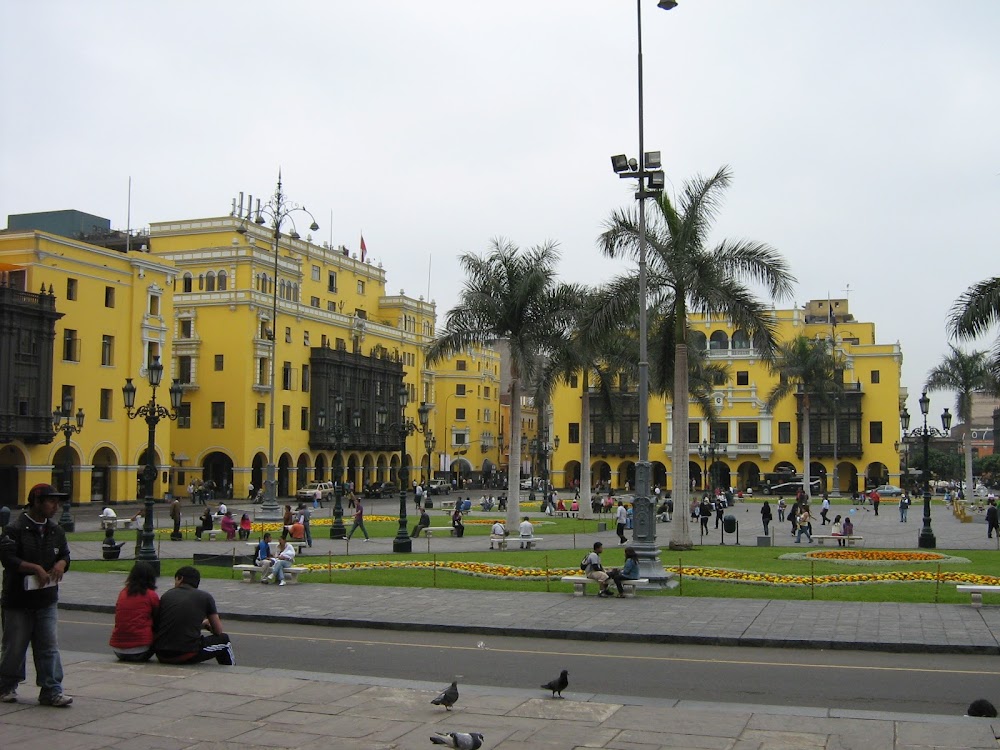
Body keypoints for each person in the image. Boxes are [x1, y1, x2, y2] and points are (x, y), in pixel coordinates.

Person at [0, 483, 73, 707]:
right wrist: (34, 568)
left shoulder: (55, 530)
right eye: (51, 501)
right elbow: (8, 559)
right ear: (37, 502)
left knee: (49, 645)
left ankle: (51, 690)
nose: (55, 506)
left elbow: (65, 554)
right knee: (15, 645)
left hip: (46, 598)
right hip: (18, 599)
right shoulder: (15, 529)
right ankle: (6, 686)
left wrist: (61, 563)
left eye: (57, 501)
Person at [154, 566, 234, 664]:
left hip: (161, 653)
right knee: (224, 640)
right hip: (186, 654)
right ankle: (232, 671)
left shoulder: (166, 595)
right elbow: (218, 630)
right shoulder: (205, 597)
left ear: (180, 578)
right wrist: (207, 625)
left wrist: (201, 625)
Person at [109, 562, 159, 662]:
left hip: (118, 649)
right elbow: (158, 618)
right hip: (141, 651)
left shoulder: (123, 593)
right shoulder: (151, 595)